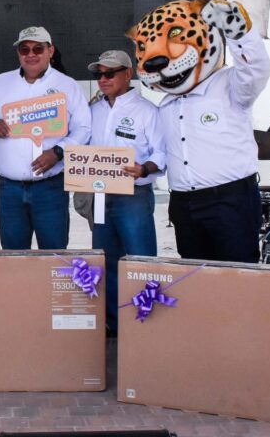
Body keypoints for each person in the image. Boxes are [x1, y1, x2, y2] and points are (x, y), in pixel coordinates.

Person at [129, 0, 270, 262]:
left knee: (238, 278)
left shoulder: (229, 85)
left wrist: (240, 34)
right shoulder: (165, 105)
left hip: (230, 200)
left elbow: (256, 70)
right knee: (196, 282)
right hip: (183, 204)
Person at [0, 26, 91, 250]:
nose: (31, 54)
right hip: (9, 190)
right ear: (18, 53)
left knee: (54, 257)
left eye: (37, 48)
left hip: (50, 188)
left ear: (50, 51)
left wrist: (58, 152)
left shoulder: (67, 85)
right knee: (14, 259)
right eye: (24, 49)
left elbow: (83, 128)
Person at [86, 50, 165, 334]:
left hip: (134, 196)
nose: (103, 79)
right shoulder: (91, 110)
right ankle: (115, 325)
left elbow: (162, 153)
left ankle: (146, 326)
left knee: (142, 262)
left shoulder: (147, 111)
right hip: (99, 196)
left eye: (110, 73)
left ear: (127, 74)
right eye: (99, 75)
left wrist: (144, 168)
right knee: (106, 263)